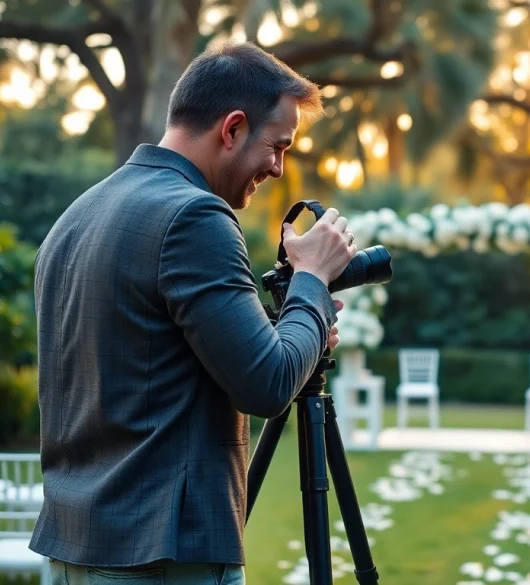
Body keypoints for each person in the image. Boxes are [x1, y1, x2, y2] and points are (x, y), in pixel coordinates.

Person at [31, 42, 357, 583]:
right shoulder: (195, 216)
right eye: (277, 147)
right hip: (163, 555)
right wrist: (312, 282)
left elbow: (149, 365)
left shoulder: (77, 215)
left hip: (75, 547)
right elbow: (269, 385)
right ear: (231, 129)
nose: (278, 169)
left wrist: (299, 324)